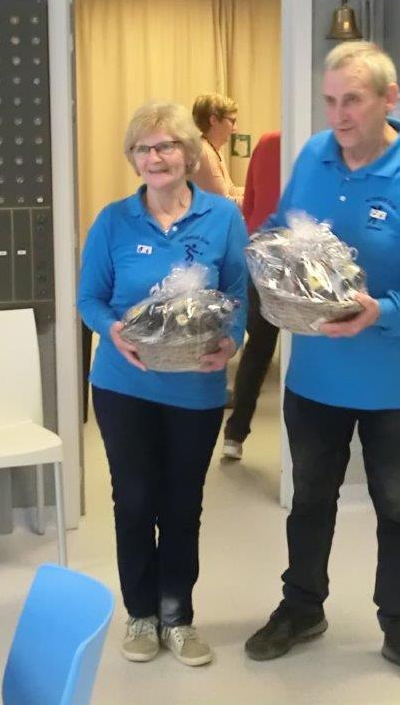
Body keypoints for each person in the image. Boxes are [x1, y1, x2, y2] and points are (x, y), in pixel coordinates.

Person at [243, 42, 400, 691]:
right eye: (331, 101)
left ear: (389, 99)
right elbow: (284, 232)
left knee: (398, 508)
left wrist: (382, 312)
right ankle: (302, 607)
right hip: (316, 378)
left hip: (398, 386)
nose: (339, 115)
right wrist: (273, 268)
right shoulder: (314, 156)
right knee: (310, 500)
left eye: (353, 100)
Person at [78, 101, 248, 667]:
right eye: (144, 148)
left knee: (181, 504)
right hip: (124, 385)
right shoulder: (113, 221)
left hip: (195, 389)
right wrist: (112, 331)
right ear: (133, 159)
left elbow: (238, 294)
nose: (155, 157)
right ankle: (140, 614)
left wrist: (232, 341)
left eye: (167, 146)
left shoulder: (222, 218)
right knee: (133, 500)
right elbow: (89, 299)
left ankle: (177, 616)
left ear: (188, 153)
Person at [221, 131, 281, 460]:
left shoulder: (266, 143)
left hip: (259, 251)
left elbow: (250, 205)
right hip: (296, 257)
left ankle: (235, 433)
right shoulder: (315, 146)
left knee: (259, 345)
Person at [190, 93, 244, 205]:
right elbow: (224, 203)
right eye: (232, 121)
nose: (235, 129)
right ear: (213, 120)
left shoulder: (212, 149)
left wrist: (259, 190)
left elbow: (231, 190)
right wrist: (260, 199)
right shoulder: (205, 152)